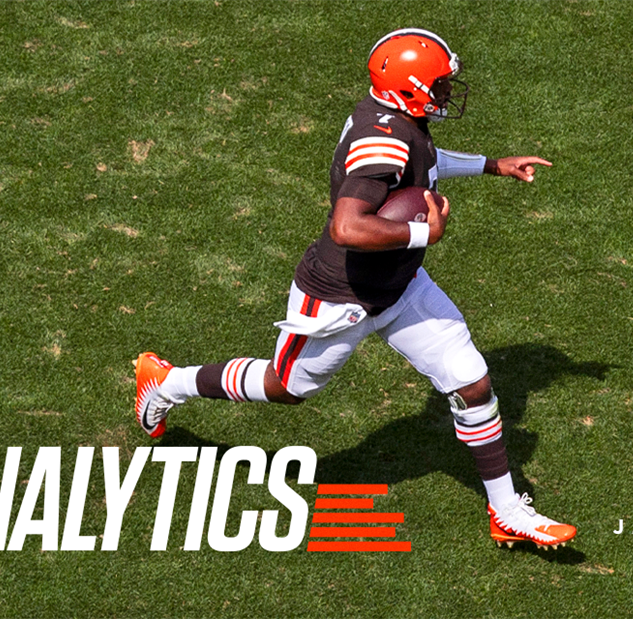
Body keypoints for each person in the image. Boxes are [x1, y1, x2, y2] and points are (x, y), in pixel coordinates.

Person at [133, 28, 574, 549]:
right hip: (340, 296)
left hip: (401, 285)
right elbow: (348, 226)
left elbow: (423, 160)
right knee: (286, 388)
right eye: (438, 84)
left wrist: (491, 165)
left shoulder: (397, 120)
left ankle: (505, 511)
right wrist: (422, 233)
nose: (447, 93)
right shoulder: (380, 139)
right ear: (407, 88)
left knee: (472, 382)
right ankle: (166, 382)